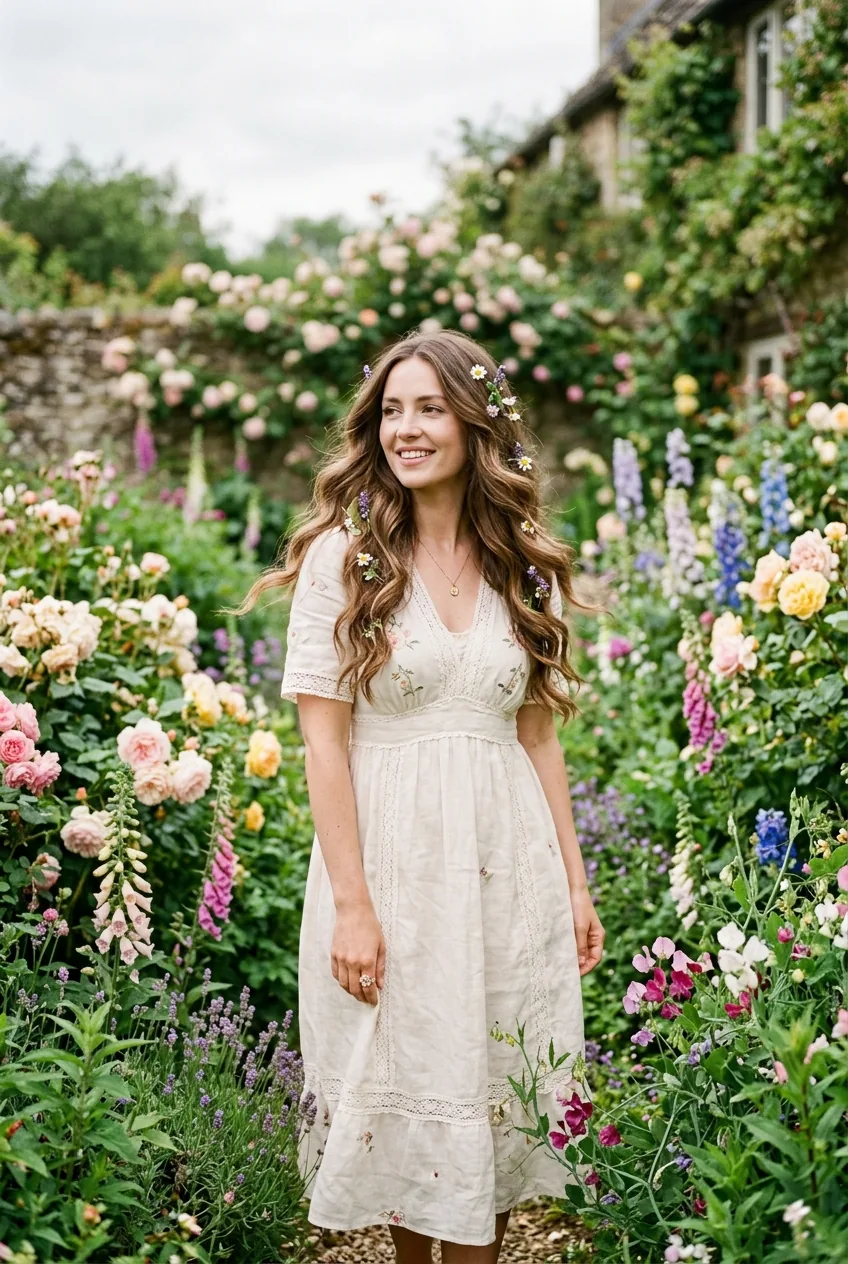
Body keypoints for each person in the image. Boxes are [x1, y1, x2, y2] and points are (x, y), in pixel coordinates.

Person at [238, 328, 604, 1262]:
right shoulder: (344, 560)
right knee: (412, 1087)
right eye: (392, 409)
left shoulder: (524, 567)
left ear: (475, 424)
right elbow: (322, 739)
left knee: (494, 1082)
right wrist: (352, 907)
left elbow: (537, 734)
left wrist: (573, 882)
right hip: (393, 869)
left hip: (504, 864)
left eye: (429, 408)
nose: (407, 428)